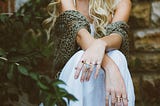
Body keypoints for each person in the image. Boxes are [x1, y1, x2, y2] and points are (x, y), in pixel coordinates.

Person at [43, 0, 135, 106]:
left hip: (103, 79)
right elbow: (80, 36)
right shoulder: (67, 1)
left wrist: (101, 43)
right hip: (75, 76)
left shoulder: (121, 2)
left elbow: (118, 37)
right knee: (81, 56)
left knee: (117, 56)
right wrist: (110, 67)